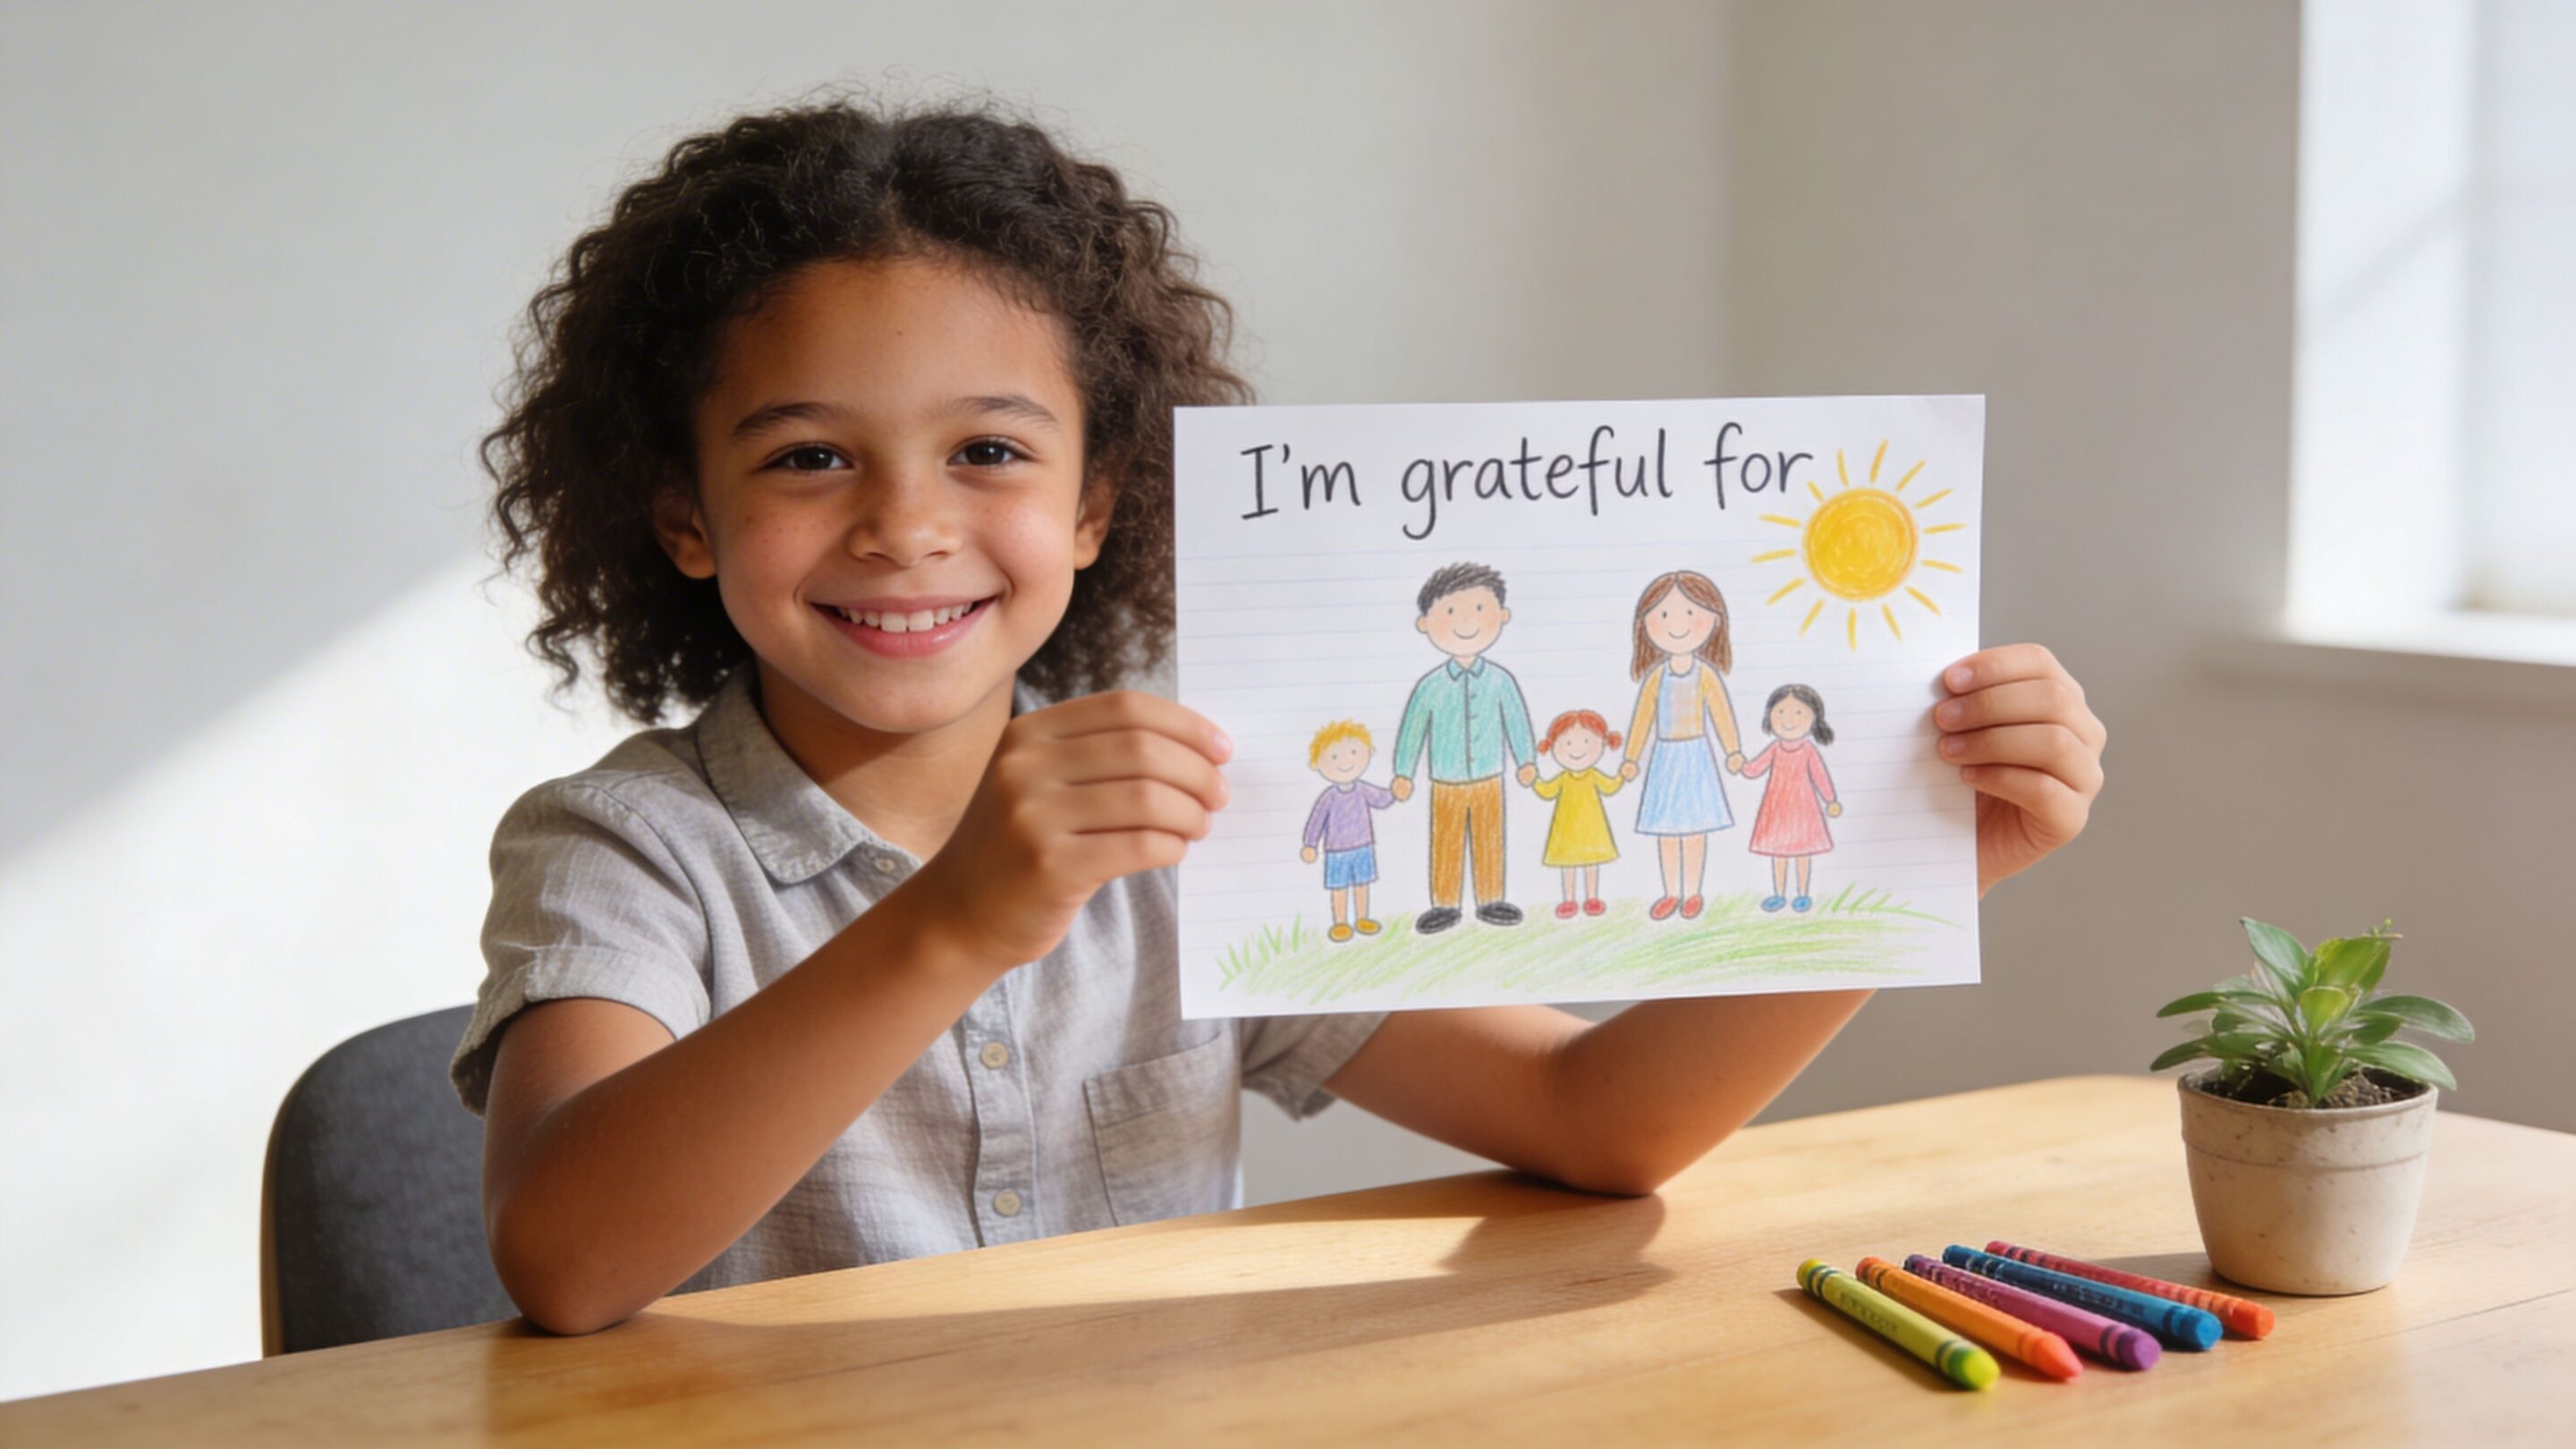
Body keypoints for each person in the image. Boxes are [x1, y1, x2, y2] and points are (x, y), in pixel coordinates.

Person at [451, 93, 2112, 1339]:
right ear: (683, 516)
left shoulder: (1196, 824)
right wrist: (957, 921)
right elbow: (568, 1258)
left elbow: (1600, 1124)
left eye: (992, 451)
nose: (906, 526)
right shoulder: (626, 851)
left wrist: (1904, 870)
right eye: (809, 457)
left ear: (1099, 502)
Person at [1388, 563, 1540, 934]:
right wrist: (1403, 771)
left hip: (1490, 776)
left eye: (1479, 610)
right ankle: (1445, 904)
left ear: (1501, 616)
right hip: (1446, 780)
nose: (1466, 621)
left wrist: (1526, 760)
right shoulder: (1430, 686)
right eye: (1451, 612)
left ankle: (1491, 899)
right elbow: (1411, 729)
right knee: (1447, 841)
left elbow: (1517, 720)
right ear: (1425, 623)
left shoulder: (1501, 681)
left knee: (1490, 837)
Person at [1619, 571, 1745, 920]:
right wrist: (1630, 758)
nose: (1677, 623)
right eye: (1663, 614)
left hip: (1696, 756)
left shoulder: (1706, 674)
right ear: (1644, 623)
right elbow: (1642, 718)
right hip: (1665, 757)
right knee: (1667, 830)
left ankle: (1692, 892)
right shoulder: (1655, 676)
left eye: (1690, 613)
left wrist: (1733, 751)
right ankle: (1671, 892)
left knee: (1694, 830)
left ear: (1713, 619)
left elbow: (1721, 713)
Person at [1741, 683, 1841, 911]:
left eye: (1798, 713)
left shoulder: (1807, 750)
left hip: (1803, 809)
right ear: (1770, 716)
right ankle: (1779, 894)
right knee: (1779, 854)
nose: (1789, 719)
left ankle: (1803, 894)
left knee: (1802, 853)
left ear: (1814, 720)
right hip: (1777, 809)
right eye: (1781, 712)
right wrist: (1742, 766)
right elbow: (1755, 768)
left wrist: (1831, 800)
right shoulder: (1775, 748)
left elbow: (1820, 776)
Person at [1300, 720, 1398, 942]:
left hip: (1363, 846)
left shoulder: (1363, 789)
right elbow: (1316, 821)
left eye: (1353, 752)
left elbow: (1381, 799)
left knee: (1362, 883)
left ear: (1367, 752)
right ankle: (1340, 922)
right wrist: (1310, 844)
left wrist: (1395, 792)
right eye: (1334, 757)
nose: (1345, 761)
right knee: (1339, 887)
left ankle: (1363, 918)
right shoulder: (1329, 797)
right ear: (1318, 763)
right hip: (1337, 851)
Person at [1529, 709, 1626, 919]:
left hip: (1592, 828)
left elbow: (1610, 787)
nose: (1577, 749)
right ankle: (1569, 900)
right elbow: (1546, 791)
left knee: (1591, 863)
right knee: (1569, 866)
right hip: (1566, 829)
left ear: (1602, 743)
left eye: (1586, 741)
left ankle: (1592, 897)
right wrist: (1533, 780)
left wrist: (1622, 776)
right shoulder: (1563, 778)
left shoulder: (1593, 775)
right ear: (1553, 746)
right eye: (1568, 743)